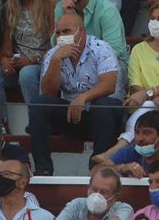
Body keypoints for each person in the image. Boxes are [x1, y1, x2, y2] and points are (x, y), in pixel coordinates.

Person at [28, 12, 122, 176]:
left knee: (103, 105)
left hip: (101, 115)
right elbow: (48, 93)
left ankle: (97, 168)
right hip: (72, 115)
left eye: (66, 32)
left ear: (81, 31)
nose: (61, 37)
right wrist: (56, 61)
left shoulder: (101, 48)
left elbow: (109, 84)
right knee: (38, 104)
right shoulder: (54, 54)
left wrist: (83, 98)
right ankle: (43, 169)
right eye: (58, 33)